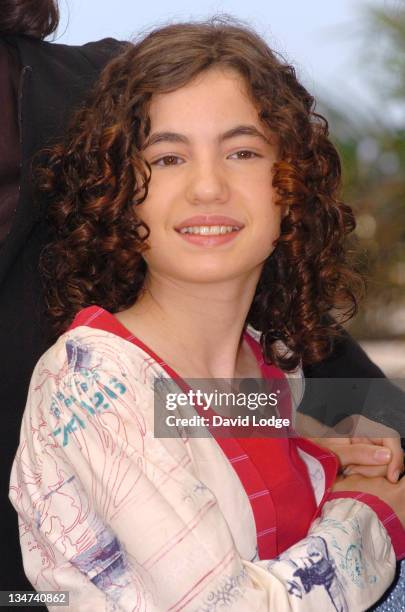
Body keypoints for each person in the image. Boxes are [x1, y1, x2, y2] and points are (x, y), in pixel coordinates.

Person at [9, 19, 405, 610]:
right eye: (168, 158)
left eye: (242, 151)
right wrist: (371, 511)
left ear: (289, 184)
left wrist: (321, 445)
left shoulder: (264, 357)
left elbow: (189, 413)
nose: (208, 187)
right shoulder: (87, 383)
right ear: (120, 191)